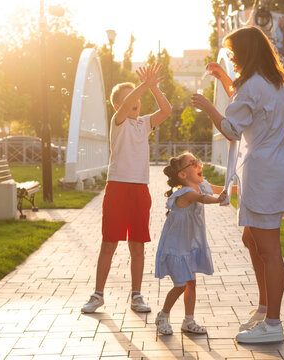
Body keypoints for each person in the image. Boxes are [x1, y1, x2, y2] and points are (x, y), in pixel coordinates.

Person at [191, 26, 284, 344]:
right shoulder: (270, 81)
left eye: (234, 54)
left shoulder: (254, 85)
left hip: (265, 175)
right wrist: (224, 80)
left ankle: (273, 322)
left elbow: (231, 127)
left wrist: (207, 107)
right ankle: (265, 309)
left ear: (246, 54)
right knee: (251, 239)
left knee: (269, 249)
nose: (233, 60)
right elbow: (244, 103)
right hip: (273, 171)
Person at [81, 63, 172, 314]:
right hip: (118, 188)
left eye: (139, 98)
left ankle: (136, 295)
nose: (137, 101)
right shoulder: (117, 121)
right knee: (109, 242)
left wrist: (153, 87)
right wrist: (142, 85)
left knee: (138, 245)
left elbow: (167, 109)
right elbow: (125, 105)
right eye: (131, 97)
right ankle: (98, 295)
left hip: (140, 189)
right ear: (118, 105)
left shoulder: (144, 123)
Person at [154, 153, 226, 335]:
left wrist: (241, 188)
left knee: (191, 284)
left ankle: (189, 320)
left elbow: (219, 189)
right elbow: (203, 198)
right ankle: (163, 315)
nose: (198, 164)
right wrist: (217, 200)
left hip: (188, 247)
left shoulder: (201, 185)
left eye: (197, 161)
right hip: (176, 248)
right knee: (180, 285)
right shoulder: (186, 193)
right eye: (192, 163)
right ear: (183, 175)